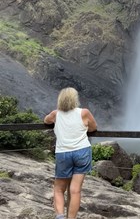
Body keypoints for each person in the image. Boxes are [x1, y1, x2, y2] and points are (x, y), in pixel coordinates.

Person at [44, 87, 97, 219]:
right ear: (75, 99)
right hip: (82, 152)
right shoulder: (84, 112)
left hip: (63, 153)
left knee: (59, 189)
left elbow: (46, 120)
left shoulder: (55, 114)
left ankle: (60, 216)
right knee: (75, 190)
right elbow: (93, 128)